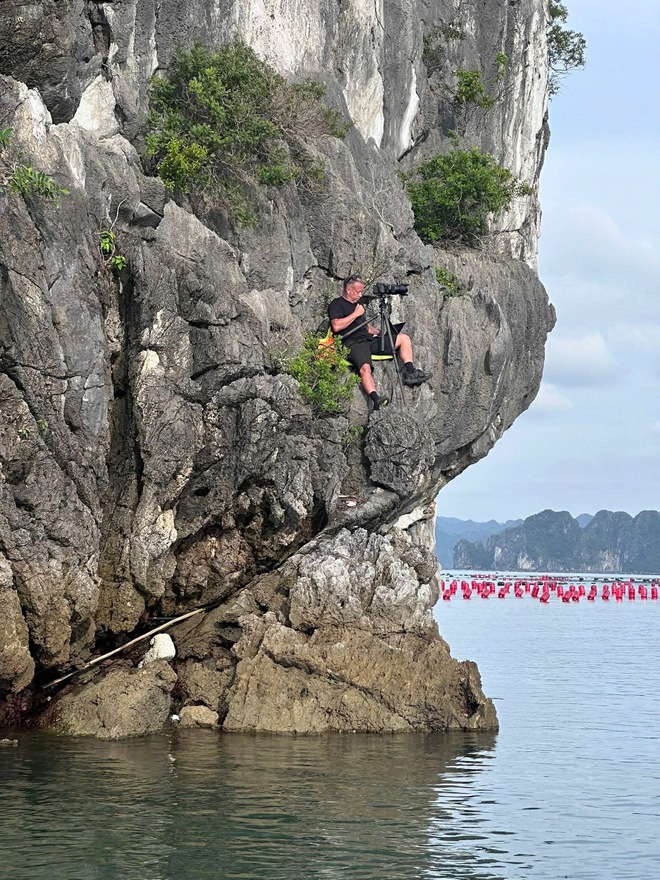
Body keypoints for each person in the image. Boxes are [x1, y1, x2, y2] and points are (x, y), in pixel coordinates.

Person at [327, 275, 431, 410]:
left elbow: (363, 326)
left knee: (403, 338)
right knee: (365, 368)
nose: (360, 295)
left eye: (361, 291)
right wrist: (356, 314)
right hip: (352, 343)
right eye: (358, 291)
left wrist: (379, 332)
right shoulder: (336, 304)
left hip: (369, 340)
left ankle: (410, 372)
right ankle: (376, 398)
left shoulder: (358, 305)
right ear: (348, 290)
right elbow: (336, 326)